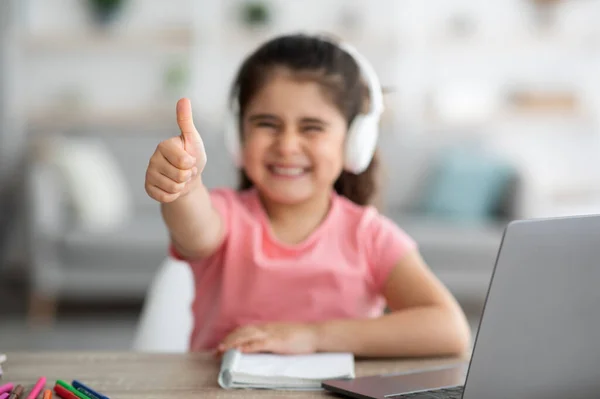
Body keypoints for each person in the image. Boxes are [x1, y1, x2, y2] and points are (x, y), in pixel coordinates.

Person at [144, 33, 471, 357]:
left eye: (312, 127)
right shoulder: (225, 216)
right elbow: (195, 228)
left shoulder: (370, 236)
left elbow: (450, 330)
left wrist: (312, 336)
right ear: (237, 135)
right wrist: (185, 186)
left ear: (355, 141)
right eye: (266, 124)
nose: (287, 146)